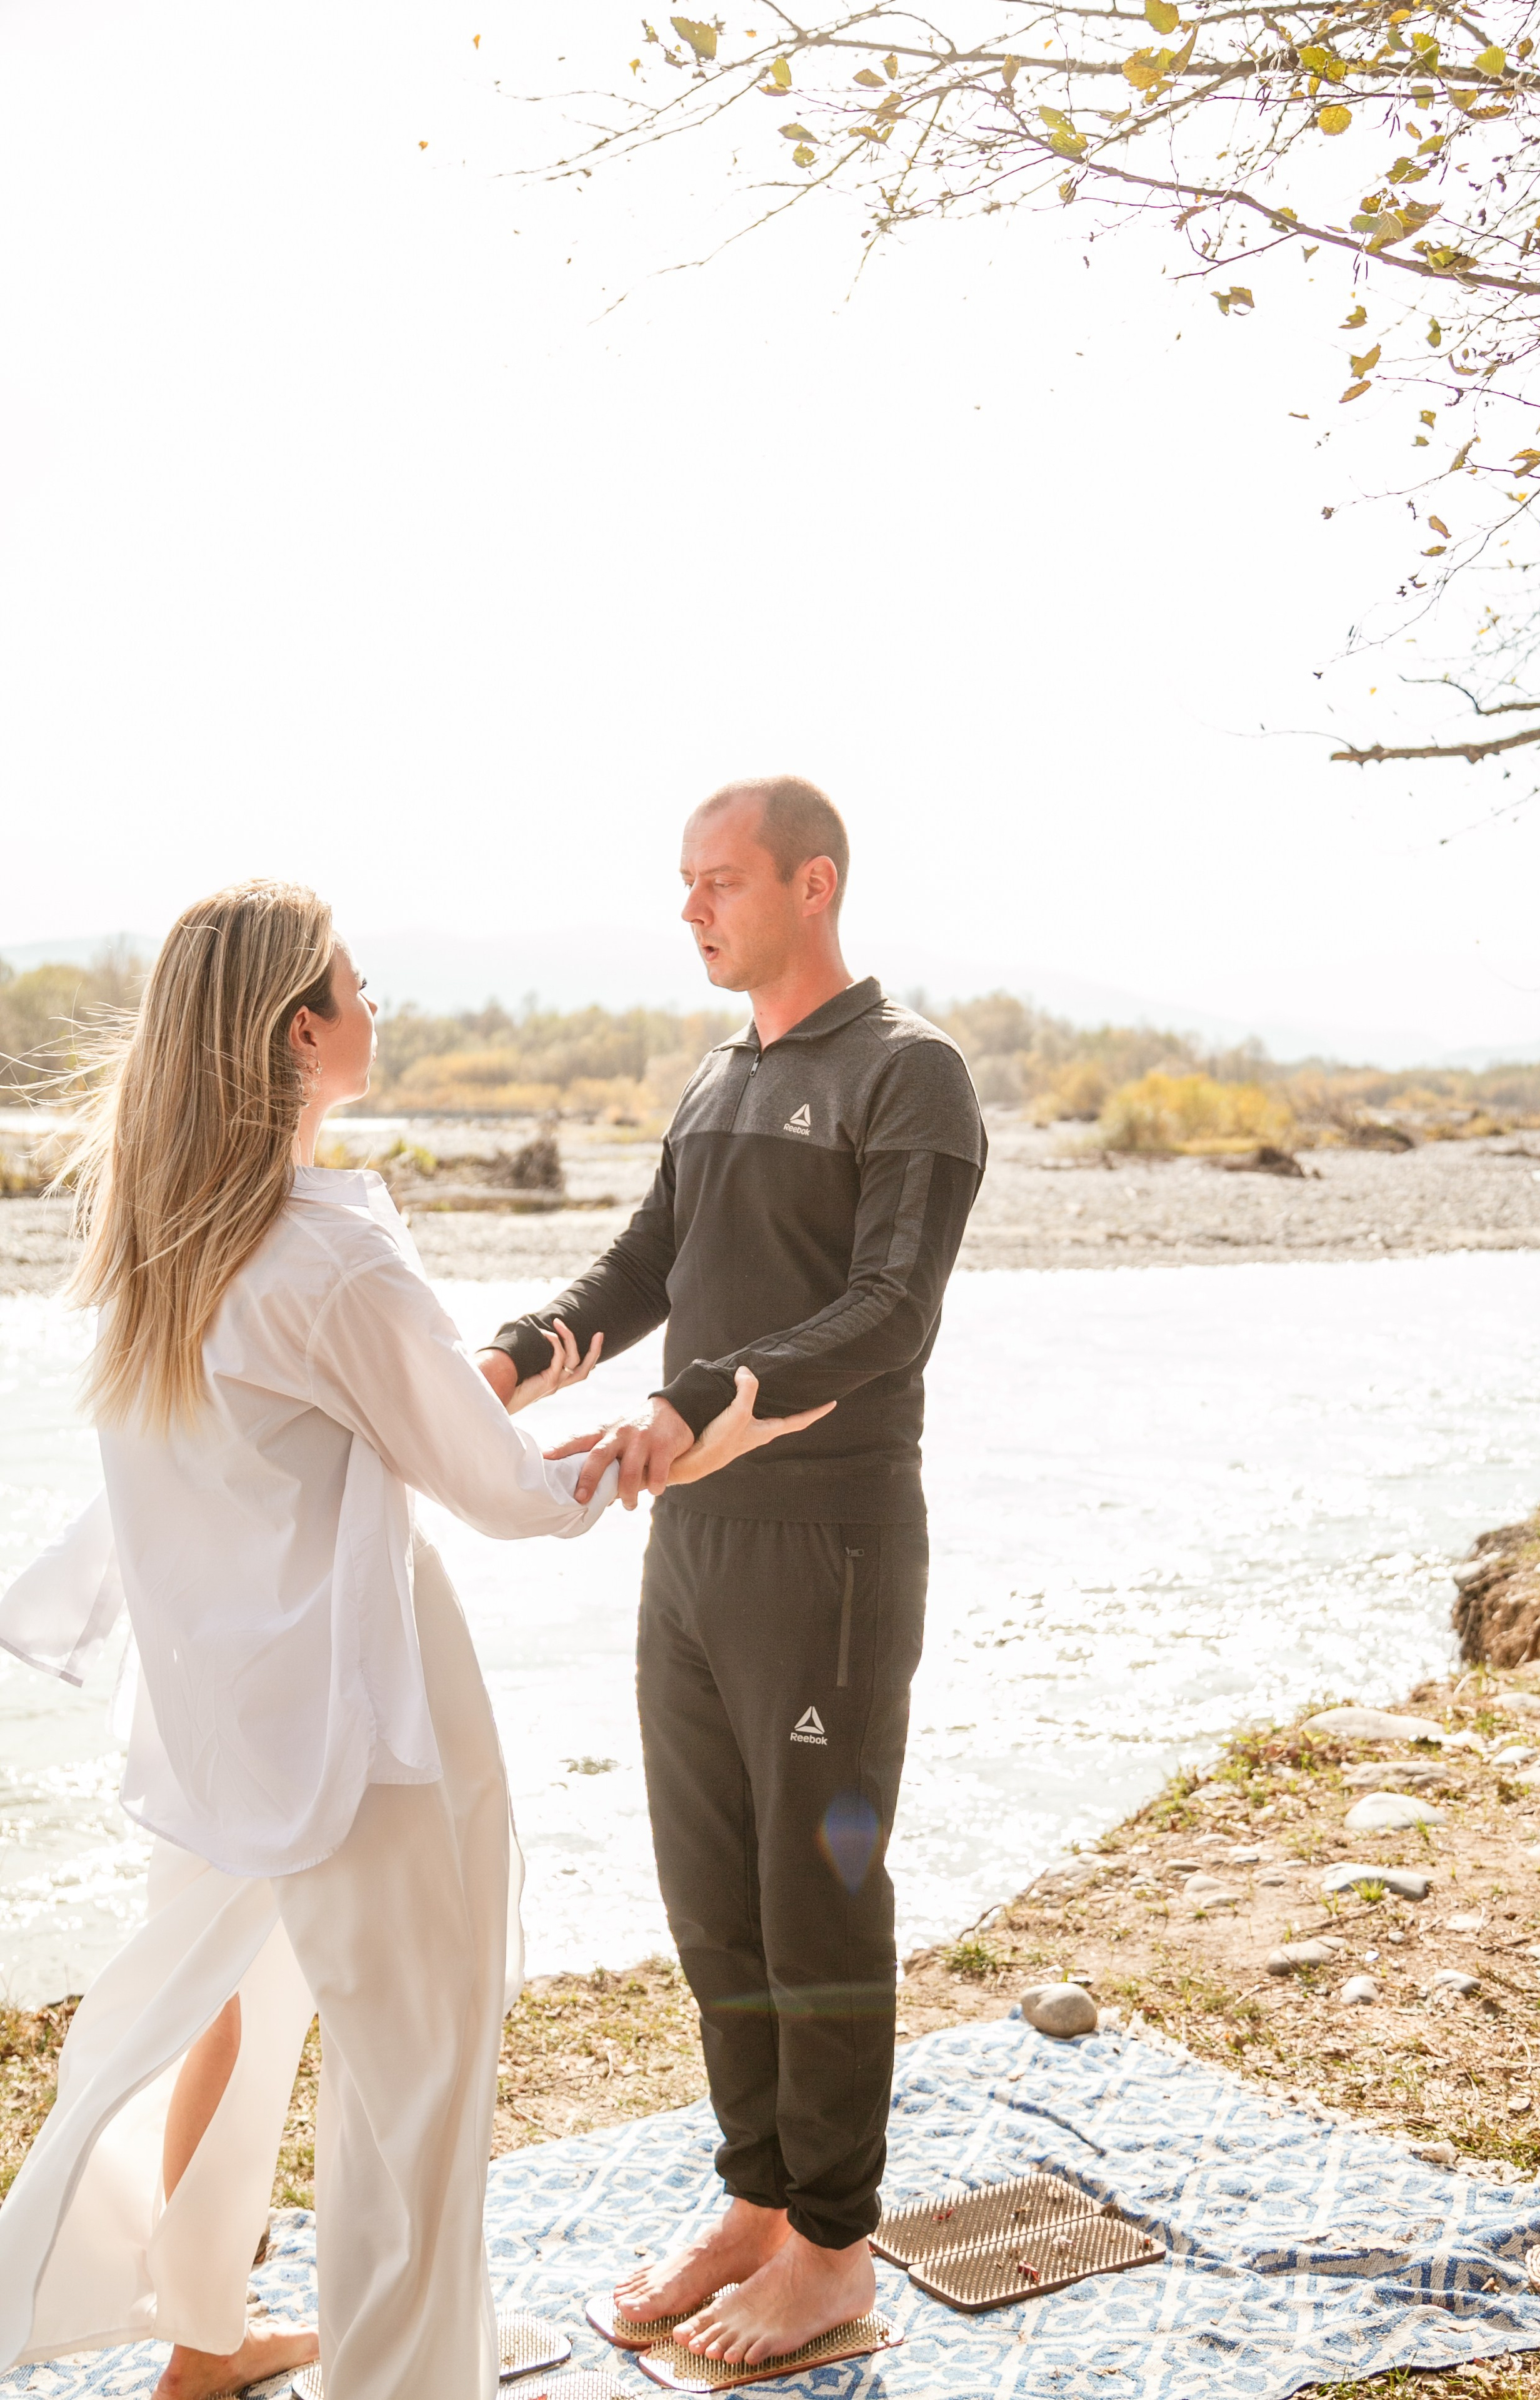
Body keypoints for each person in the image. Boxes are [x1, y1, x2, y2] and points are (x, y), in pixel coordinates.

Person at [0, 880, 824, 2400]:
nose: (378, 1007)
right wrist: (682, 1435)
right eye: (359, 986)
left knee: (235, 2031)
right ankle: (396, 2380)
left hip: (212, 1710)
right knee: (415, 2080)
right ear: (300, 1031)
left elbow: (253, 1452)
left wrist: (479, 1398)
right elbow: (499, 1492)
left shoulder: (161, 1238)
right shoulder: (329, 1252)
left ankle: (202, 2346)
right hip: (364, 1713)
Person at [478, 778, 988, 2366]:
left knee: (817, 1884)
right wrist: (510, 1363)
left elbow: (891, 1310)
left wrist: (696, 1399)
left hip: (826, 1552)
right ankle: (758, 2204)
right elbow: (648, 1268)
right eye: (684, 882)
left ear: (810, 884)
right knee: (712, 1892)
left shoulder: (910, 1076)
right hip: (690, 1550)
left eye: (719, 881)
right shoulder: (715, 1078)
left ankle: (835, 2250)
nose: (690, 908)